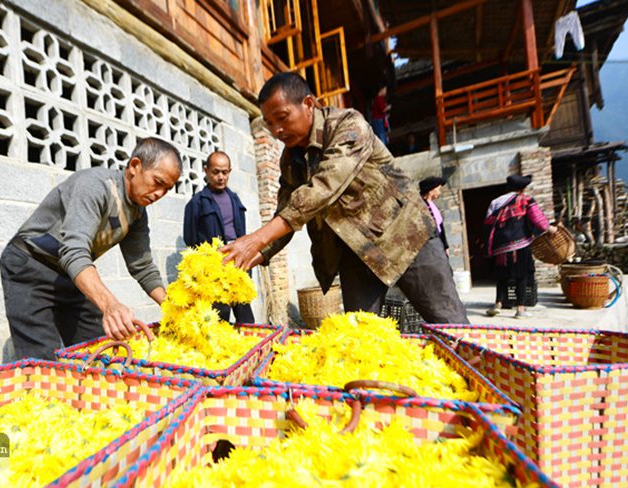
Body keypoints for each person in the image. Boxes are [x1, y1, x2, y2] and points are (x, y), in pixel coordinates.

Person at [222, 72, 468, 324]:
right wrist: (252, 256)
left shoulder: (348, 125)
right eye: (269, 123)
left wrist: (254, 239)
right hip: (355, 254)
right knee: (357, 338)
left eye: (282, 118)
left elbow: (322, 189)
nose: (277, 130)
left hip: (406, 238)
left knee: (451, 327)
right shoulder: (290, 160)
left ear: (308, 104)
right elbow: (285, 212)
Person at [0, 137, 181, 359]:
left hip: (69, 274)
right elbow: (74, 251)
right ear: (135, 166)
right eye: (157, 182)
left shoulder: (138, 213)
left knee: (100, 351)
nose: (160, 194)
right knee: (43, 361)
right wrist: (110, 304)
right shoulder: (95, 186)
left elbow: (142, 266)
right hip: (29, 266)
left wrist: (172, 308)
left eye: (167, 189)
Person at [183, 150, 254, 324]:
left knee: (245, 312)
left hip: (237, 261)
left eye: (225, 172)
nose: (221, 177)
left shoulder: (235, 199)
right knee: (219, 315)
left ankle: (250, 340)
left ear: (229, 171)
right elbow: (190, 238)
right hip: (213, 266)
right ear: (206, 170)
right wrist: (206, 262)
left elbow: (241, 232)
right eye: (216, 172)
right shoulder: (197, 202)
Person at [483, 174, 558, 319]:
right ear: (522, 189)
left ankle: (497, 305)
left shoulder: (496, 202)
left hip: (501, 246)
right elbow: (538, 219)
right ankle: (520, 309)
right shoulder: (526, 200)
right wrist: (550, 229)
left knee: (502, 276)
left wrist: (491, 244)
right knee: (521, 276)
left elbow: (488, 223)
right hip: (520, 244)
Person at [418, 176, 449, 257]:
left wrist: (445, 246)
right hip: (431, 247)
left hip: (439, 244)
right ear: (431, 191)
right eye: (438, 189)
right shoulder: (423, 207)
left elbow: (441, 227)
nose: (439, 192)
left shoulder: (434, 206)